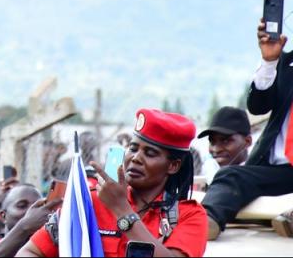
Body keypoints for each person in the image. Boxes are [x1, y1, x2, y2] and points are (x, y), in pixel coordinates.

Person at [16, 109, 207, 257]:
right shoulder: (90, 201)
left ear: (173, 166)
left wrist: (121, 210)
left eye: (150, 153)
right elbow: (29, 252)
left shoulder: (189, 215)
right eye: (133, 148)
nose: (135, 158)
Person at [203, 21, 293, 239]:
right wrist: (270, 61)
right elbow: (258, 106)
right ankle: (204, 224)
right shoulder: (287, 64)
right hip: (279, 169)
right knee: (230, 176)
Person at [198, 106, 252, 170]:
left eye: (225, 141)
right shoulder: (210, 172)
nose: (216, 149)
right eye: (212, 142)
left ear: (247, 141)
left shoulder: (259, 177)